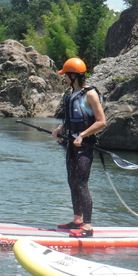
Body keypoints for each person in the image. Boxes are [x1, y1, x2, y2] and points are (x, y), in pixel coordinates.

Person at [51, 58, 106, 238]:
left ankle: (88, 228)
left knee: (82, 184)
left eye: (66, 74)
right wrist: (60, 129)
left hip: (85, 147)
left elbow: (101, 122)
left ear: (74, 75)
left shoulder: (90, 95)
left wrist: (83, 135)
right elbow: (69, 120)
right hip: (71, 145)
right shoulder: (68, 95)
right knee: (72, 182)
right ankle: (77, 221)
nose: (64, 78)